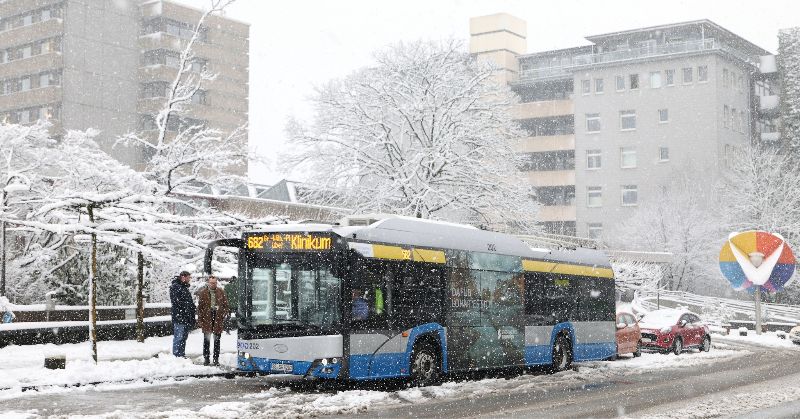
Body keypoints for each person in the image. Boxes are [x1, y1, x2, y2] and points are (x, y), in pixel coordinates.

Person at [197, 276, 230, 366]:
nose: (213, 284)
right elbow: (200, 308)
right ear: (208, 283)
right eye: (211, 282)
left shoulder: (221, 292)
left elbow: (226, 305)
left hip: (218, 319)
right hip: (206, 319)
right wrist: (200, 320)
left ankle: (216, 358)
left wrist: (222, 312)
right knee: (206, 341)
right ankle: (206, 358)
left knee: (217, 341)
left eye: (215, 282)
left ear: (216, 282)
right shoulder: (203, 293)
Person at [169, 271, 196, 358]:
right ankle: (177, 355)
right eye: (188, 278)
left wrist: (191, 308)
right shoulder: (176, 287)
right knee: (179, 337)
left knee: (183, 337)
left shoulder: (184, 288)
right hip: (179, 317)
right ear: (183, 277)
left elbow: (187, 302)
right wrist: (187, 306)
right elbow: (177, 302)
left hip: (185, 317)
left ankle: (181, 355)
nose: (189, 280)